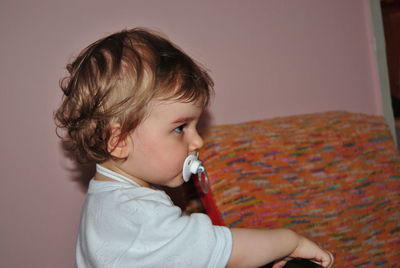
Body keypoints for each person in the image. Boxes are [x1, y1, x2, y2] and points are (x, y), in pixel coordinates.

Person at [54, 28, 334, 268]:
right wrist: (289, 240)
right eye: (180, 128)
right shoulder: (138, 217)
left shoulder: (109, 202)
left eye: (195, 126)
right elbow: (223, 250)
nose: (198, 141)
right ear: (119, 141)